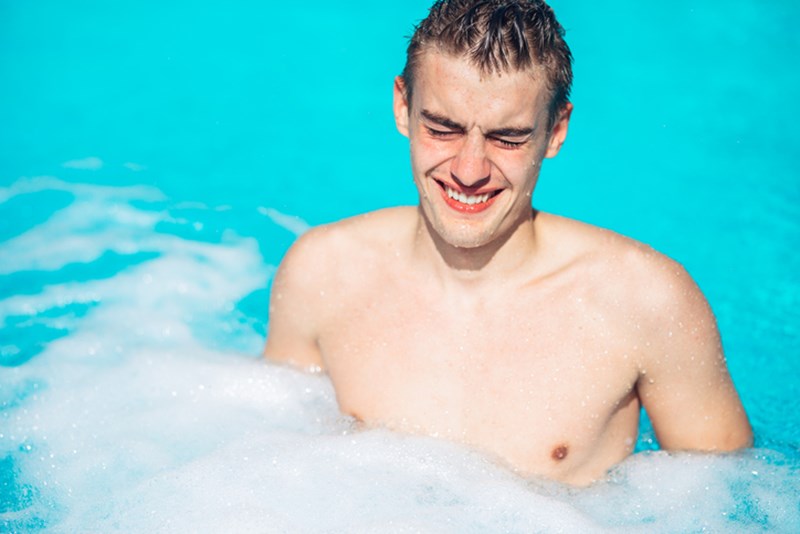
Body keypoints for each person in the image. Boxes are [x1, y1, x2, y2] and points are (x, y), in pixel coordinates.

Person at [263, 0, 752, 486]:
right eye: (442, 128)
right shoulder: (323, 271)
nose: (469, 170)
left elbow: (725, 498)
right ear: (402, 107)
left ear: (555, 131)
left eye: (508, 139)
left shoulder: (646, 301)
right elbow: (270, 466)